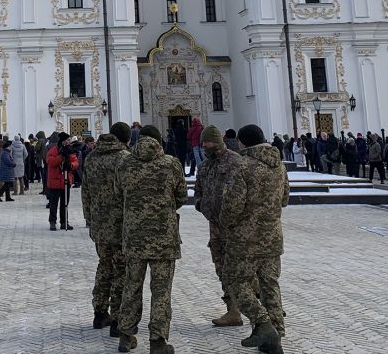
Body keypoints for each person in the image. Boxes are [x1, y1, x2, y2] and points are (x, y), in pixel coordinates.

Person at [219, 124, 290, 353]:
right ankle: (275, 336)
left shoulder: (242, 166)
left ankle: (263, 323)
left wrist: (226, 222)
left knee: (236, 280)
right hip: (272, 236)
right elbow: (285, 198)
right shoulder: (278, 165)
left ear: (242, 142)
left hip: (245, 239)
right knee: (270, 284)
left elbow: (232, 205)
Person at [116, 125, 187, 354]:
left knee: (131, 287)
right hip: (163, 238)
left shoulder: (125, 163)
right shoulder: (171, 164)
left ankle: (126, 336)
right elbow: (181, 195)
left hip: (134, 237)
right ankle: (157, 341)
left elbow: (119, 194)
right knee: (161, 291)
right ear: (159, 140)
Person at [81, 121, 131, 336]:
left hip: (100, 225)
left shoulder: (92, 157)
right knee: (122, 271)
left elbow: (85, 191)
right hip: (121, 225)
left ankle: (99, 312)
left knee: (104, 267)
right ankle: (118, 318)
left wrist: (90, 219)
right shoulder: (125, 159)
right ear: (126, 139)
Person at [193, 125, 244, 329]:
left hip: (235, 226)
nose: (204, 145)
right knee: (221, 267)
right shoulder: (205, 166)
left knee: (241, 268)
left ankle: (263, 304)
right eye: (203, 142)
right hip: (214, 226)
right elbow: (198, 190)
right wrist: (201, 204)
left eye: (207, 142)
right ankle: (233, 310)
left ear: (217, 141)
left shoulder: (235, 161)